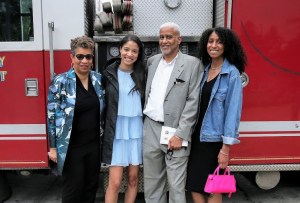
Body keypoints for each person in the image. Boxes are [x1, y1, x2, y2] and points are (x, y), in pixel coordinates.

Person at [143, 22, 204, 203]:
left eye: (169, 37)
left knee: (176, 185)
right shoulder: (152, 62)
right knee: (152, 182)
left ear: (179, 39)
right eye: (161, 37)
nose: (164, 41)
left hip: (175, 131)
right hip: (151, 128)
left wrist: (181, 133)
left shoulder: (193, 64)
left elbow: (193, 102)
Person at [186, 27, 247, 203]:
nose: (214, 45)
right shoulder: (203, 70)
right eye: (211, 41)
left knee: (213, 188)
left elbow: (233, 113)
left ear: (227, 46)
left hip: (214, 141)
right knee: (194, 185)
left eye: (219, 42)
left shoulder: (232, 74)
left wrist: (225, 149)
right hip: (197, 137)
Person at [47, 36, 104, 203]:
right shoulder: (60, 81)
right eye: (80, 56)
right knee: (73, 191)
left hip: (93, 146)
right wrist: (52, 147)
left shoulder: (98, 79)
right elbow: (52, 117)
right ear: (72, 57)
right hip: (71, 147)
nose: (84, 60)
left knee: (90, 188)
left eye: (88, 56)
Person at [102, 35, 146, 203]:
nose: (130, 54)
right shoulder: (108, 73)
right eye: (126, 49)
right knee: (115, 182)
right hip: (116, 131)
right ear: (120, 49)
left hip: (136, 131)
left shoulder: (143, 73)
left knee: (133, 179)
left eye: (134, 51)